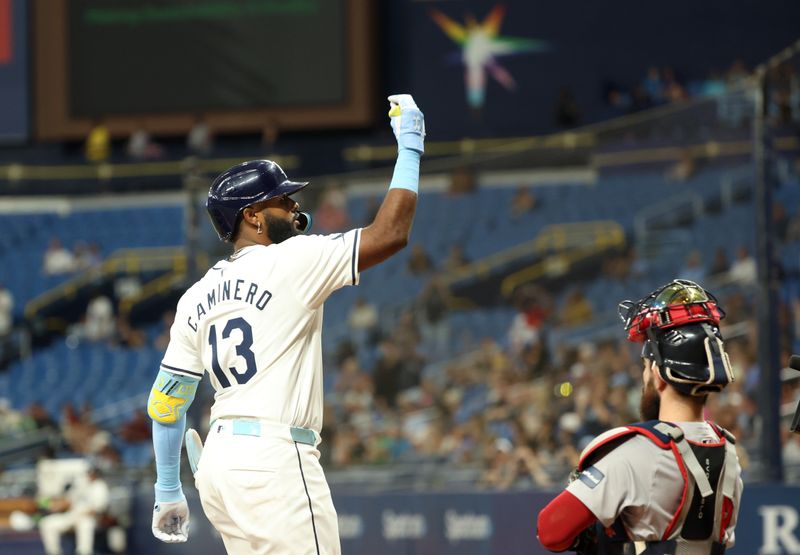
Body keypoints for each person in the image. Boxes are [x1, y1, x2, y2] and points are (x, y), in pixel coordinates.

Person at [147, 94, 425, 553]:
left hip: (220, 465)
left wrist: (166, 490)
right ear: (252, 217)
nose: (294, 208)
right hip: (274, 459)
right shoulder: (293, 259)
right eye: (281, 200)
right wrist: (410, 149)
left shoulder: (196, 296)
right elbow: (390, 234)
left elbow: (166, 403)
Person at [537, 279, 743, 553]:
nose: (644, 376)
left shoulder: (635, 453)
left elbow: (550, 530)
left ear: (658, 374)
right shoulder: (729, 453)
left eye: (646, 367)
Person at [39, 466, 110, 555]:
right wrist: (56, 505)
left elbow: (99, 509)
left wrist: (82, 513)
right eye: (89, 473)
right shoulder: (83, 483)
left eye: (92, 473)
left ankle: (84, 552)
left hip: (90, 518)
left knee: (86, 524)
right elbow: (69, 500)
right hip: (72, 515)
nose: (89, 475)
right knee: (47, 523)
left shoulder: (100, 487)